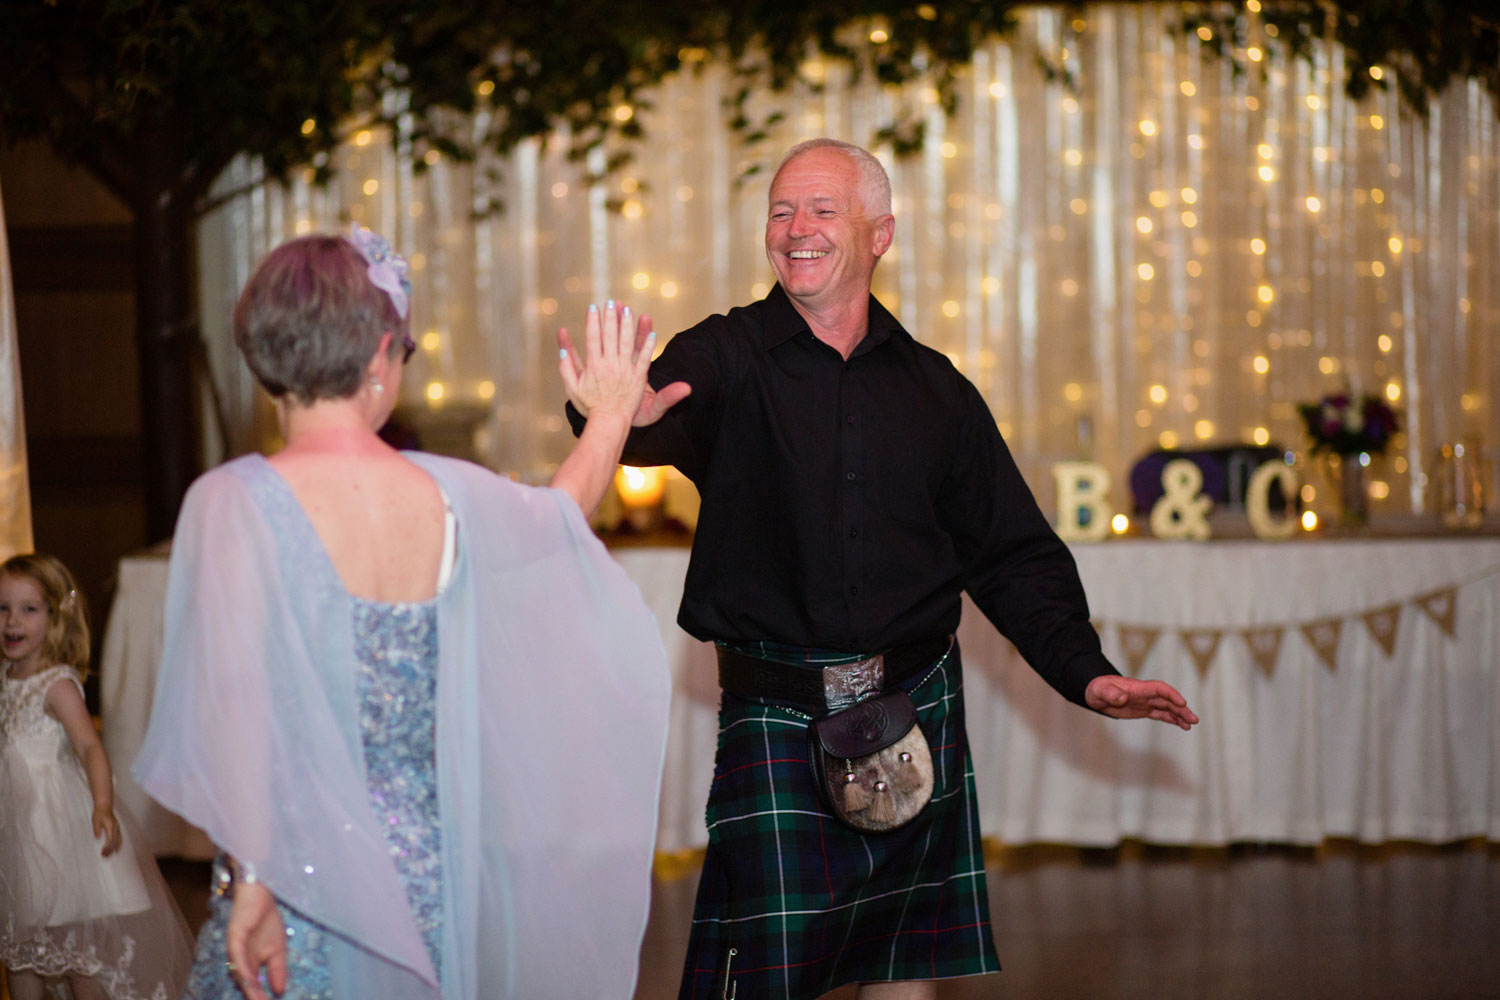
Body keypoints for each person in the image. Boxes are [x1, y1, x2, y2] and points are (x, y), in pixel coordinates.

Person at [563, 138, 1200, 1000]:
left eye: (822, 210)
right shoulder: (727, 353)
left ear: (881, 234)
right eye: (781, 212)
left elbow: (1012, 554)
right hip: (776, 719)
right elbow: (654, 413)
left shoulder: (937, 391)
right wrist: (616, 410)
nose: (797, 230)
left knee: (905, 976)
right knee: (760, 979)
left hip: (914, 710)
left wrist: (1087, 675)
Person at [133, 226, 674, 1000]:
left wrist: (253, 877)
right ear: (382, 356)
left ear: (259, 349)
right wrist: (612, 414)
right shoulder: (447, 494)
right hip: (429, 871)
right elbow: (562, 515)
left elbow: (235, 705)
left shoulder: (231, 500)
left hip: (296, 868)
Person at [0, 552, 193, 1000]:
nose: (12, 621)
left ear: (55, 615)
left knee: (74, 947)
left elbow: (90, 746)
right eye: (3, 607)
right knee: (19, 946)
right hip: (15, 831)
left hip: (55, 828)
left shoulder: (57, 684)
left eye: (28, 609)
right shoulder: (6, 676)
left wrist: (103, 805)